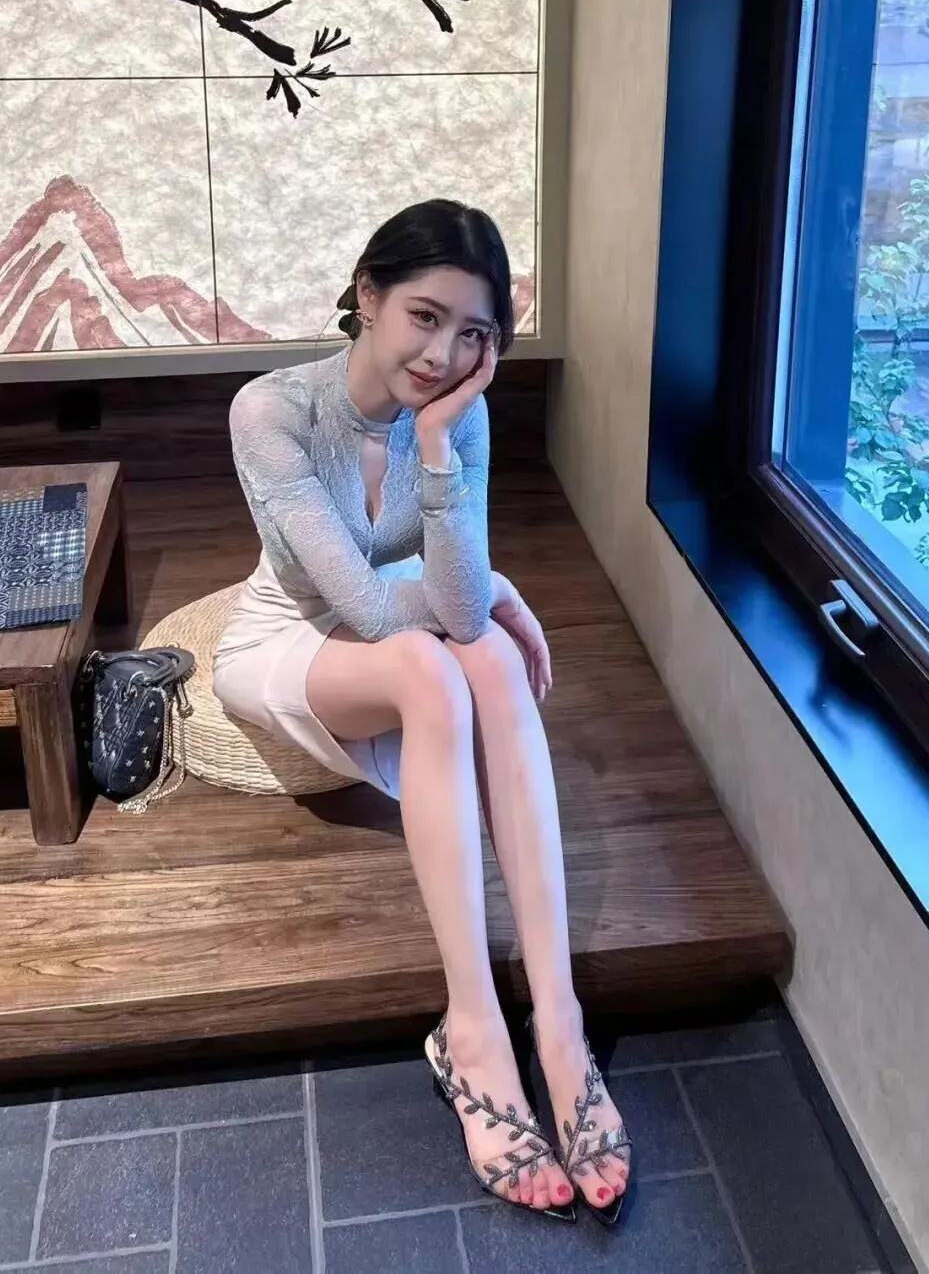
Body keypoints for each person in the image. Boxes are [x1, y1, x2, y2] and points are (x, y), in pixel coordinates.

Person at [212, 199, 631, 1225]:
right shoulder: (271, 412)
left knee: (486, 659)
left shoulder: (459, 416)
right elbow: (363, 606)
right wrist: (486, 589)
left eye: (473, 334)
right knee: (436, 665)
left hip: (395, 623)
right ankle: (474, 1028)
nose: (444, 355)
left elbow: (456, 606)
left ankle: (560, 1024)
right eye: (425, 316)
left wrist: (439, 450)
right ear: (368, 295)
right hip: (286, 636)